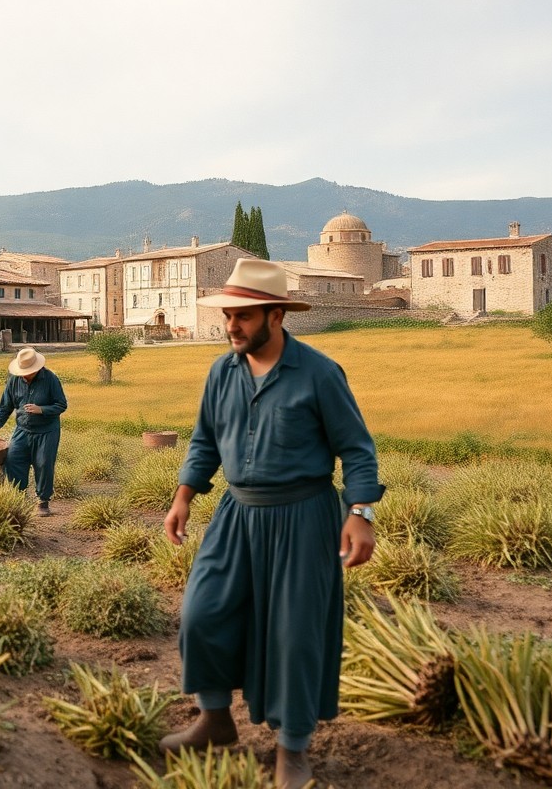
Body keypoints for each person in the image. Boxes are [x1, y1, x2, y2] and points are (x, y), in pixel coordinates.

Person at [160, 258, 383, 789]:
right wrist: (184, 494)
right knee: (203, 612)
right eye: (228, 315)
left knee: (294, 634)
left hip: (304, 516)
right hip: (237, 514)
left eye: (243, 316)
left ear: (276, 315)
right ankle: (215, 721)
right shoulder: (222, 372)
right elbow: (204, 441)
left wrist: (361, 514)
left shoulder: (320, 374)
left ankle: (292, 749)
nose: (230, 325)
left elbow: (357, 450)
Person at [0, 347, 67, 516]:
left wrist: (41, 409)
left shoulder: (50, 379)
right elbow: (4, 407)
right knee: (13, 459)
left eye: (27, 372)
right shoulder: (14, 381)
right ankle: (18, 497)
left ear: (36, 369)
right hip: (23, 429)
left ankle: (43, 501)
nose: (24, 375)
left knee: (43, 463)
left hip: (47, 431)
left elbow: (61, 405)